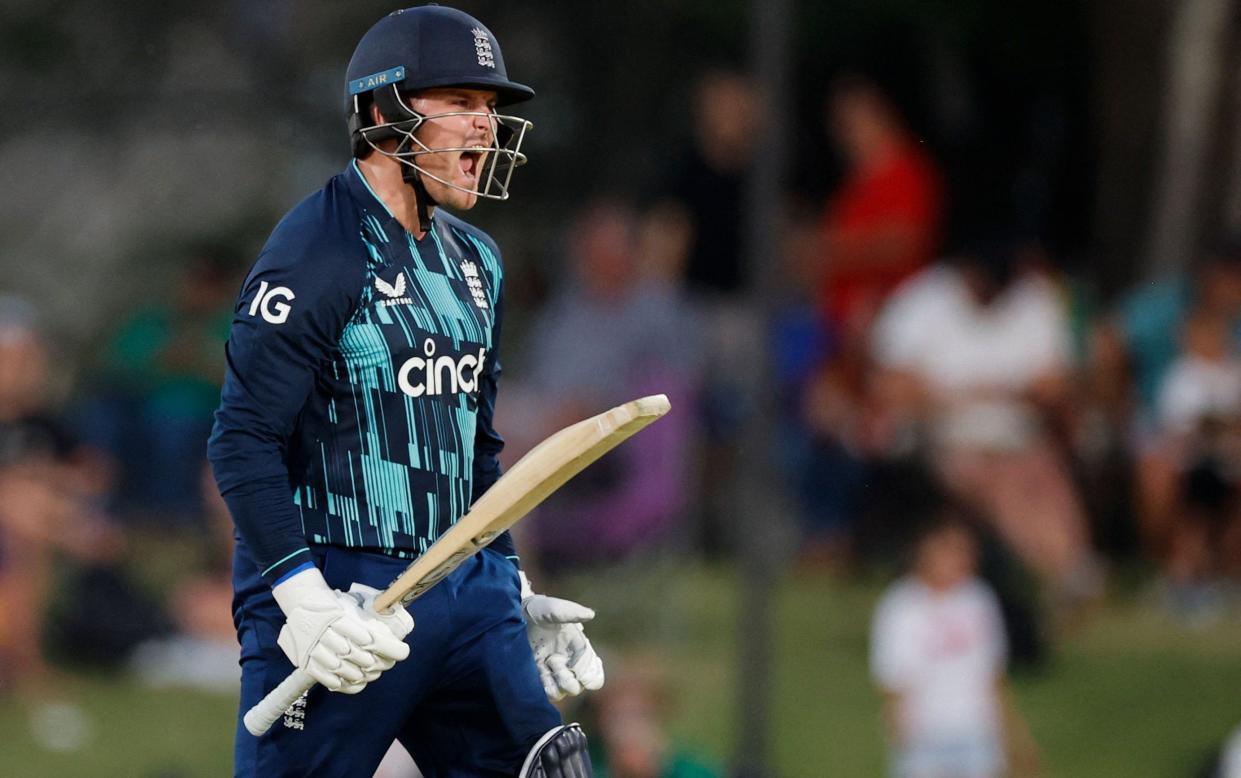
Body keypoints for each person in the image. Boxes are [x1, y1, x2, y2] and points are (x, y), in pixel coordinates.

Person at [208, 8, 602, 776]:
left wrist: (512, 583)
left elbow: (474, 452)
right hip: (343, 600)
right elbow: (242, 438)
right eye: (458, 102)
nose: (483, 127)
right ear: (382, 112)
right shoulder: (314, 252)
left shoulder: (477, 263)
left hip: (465, 582)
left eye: (489, 108)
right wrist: (300, 596)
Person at [871, 520, 1038, 778]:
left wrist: (1011, 733)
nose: (962, 560)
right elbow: (893, 679)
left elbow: (991, 673)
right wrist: (902, 736)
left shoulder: (979, 598)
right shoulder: (901, 605)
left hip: (975, 728)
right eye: (951, 551)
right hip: (925, 733)